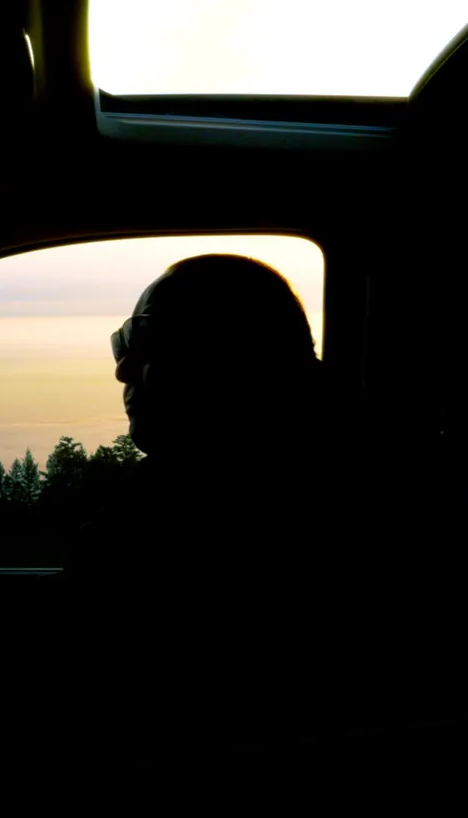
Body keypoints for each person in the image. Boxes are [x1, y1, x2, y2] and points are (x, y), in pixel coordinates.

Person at [60, 254, 356, 770]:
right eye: (125, 344)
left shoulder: (180, 525)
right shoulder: (323, 476)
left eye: (147, 343)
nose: (123, 369)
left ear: (231, 356)